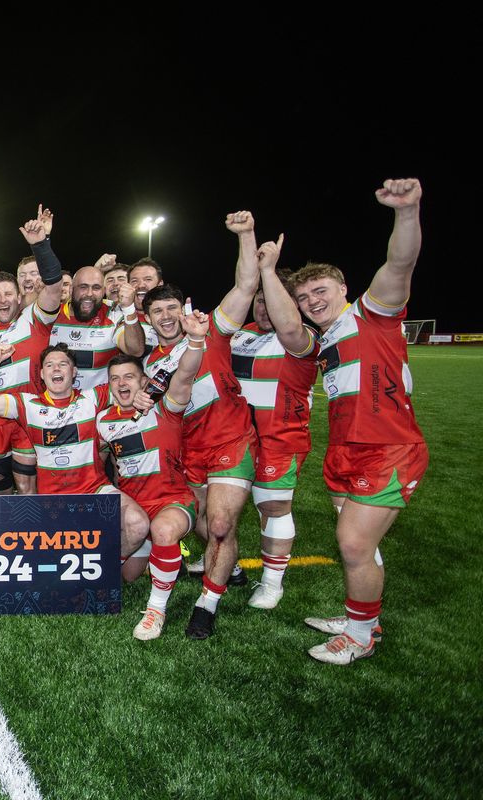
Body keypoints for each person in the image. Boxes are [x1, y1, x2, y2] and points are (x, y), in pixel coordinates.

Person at [291, 179, 428, 665]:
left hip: (388, 447)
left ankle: (361, 637)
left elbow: (399, 264)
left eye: (320, 291)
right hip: (344, 450)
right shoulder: (325, 340)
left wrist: (406, 212)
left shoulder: (372, 314)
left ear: (343, 287)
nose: (312, 301)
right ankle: (360, 618)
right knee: (358, 545)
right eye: (304, 297)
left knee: (352, 543)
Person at [141, 211, 261, 640]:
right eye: (157, 311)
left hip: (230, 440)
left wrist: (245, 235)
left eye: (172, 307)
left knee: (223, 525)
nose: (167, 316)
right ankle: (231, 567)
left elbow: (246, 285)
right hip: (187, 454)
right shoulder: (152, 365)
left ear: (183, 307)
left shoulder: (211, 329)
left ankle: (206, 605)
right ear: (149, 320)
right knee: (209, 527)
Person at [0, 342, 150, 581]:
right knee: (48, 570)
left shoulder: (92, 398)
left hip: (94, 490)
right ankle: (84, 563)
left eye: (63, 364)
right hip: (53, 501)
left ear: (74, 371)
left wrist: (142, 393)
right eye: (49, 365)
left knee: (138, 524)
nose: (56, 369)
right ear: (41, 374)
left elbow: (131, 385)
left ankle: (103, 568)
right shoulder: (28, 405)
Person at [97, 306, 209, 640]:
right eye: (115, 379)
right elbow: (89, 461)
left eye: (129, 377)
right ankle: (146, 560)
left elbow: (186, 375)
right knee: (128, 576)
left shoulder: (164, 407)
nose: (122, 384)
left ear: (144, 381)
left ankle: (156, 611)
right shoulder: (104, 421)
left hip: (172, 500)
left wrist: (196, 341)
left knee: (163, 530)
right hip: (135, 507)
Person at [230, 235, 319, 610]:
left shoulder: (300, 338)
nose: (265, 307)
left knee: (273, 508)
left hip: (278, 441)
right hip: (234, 440)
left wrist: (266, 267)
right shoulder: (240, 336)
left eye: (273, 298)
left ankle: (271, 583)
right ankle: (224, 562)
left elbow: (290, 328)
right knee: (221, 507)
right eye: (261, 299)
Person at [20, 214, 145, 390]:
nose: (89, 294)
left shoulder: (112, 313)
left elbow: (135, 350)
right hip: (57, 407)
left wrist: (130, 309)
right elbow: (42, 291)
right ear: (71, 289)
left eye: (96, 288)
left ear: (103, 292)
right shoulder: (53, 314)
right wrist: (42, 243)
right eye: (83, 287)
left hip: (98, 409)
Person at [0, 270, 57, 495]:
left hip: (27, 415)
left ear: (19, 297)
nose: (3, 300)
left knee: (25, 481)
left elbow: (54, 291)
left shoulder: (33, 318)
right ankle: (6, 526)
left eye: (8, 293)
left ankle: (27, 526)